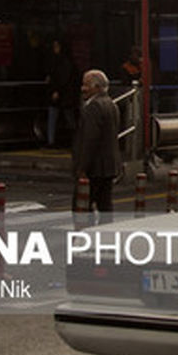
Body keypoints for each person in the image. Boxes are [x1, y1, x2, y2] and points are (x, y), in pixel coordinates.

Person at [71, 69, 122, 222]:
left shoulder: (93, 107)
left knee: (81, 206)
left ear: (97, 87)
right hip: (109, 166)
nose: (82, 89)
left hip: (95, 168)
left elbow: (89, 140)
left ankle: (84, 239)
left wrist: (82, 168)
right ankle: (106, 239)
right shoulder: (111, 104)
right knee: (105, 205)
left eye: (86, 85)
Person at [45, 39, 78, 148]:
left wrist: (57, 90)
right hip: (61, 94)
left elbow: (64, 78)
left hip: (63, 94)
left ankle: (72, 139)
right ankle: (52, 140)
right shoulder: (57, 61)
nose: (55, 49)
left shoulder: (64, 62)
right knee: (57, 116)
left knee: (65, 117)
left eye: (57, 46)